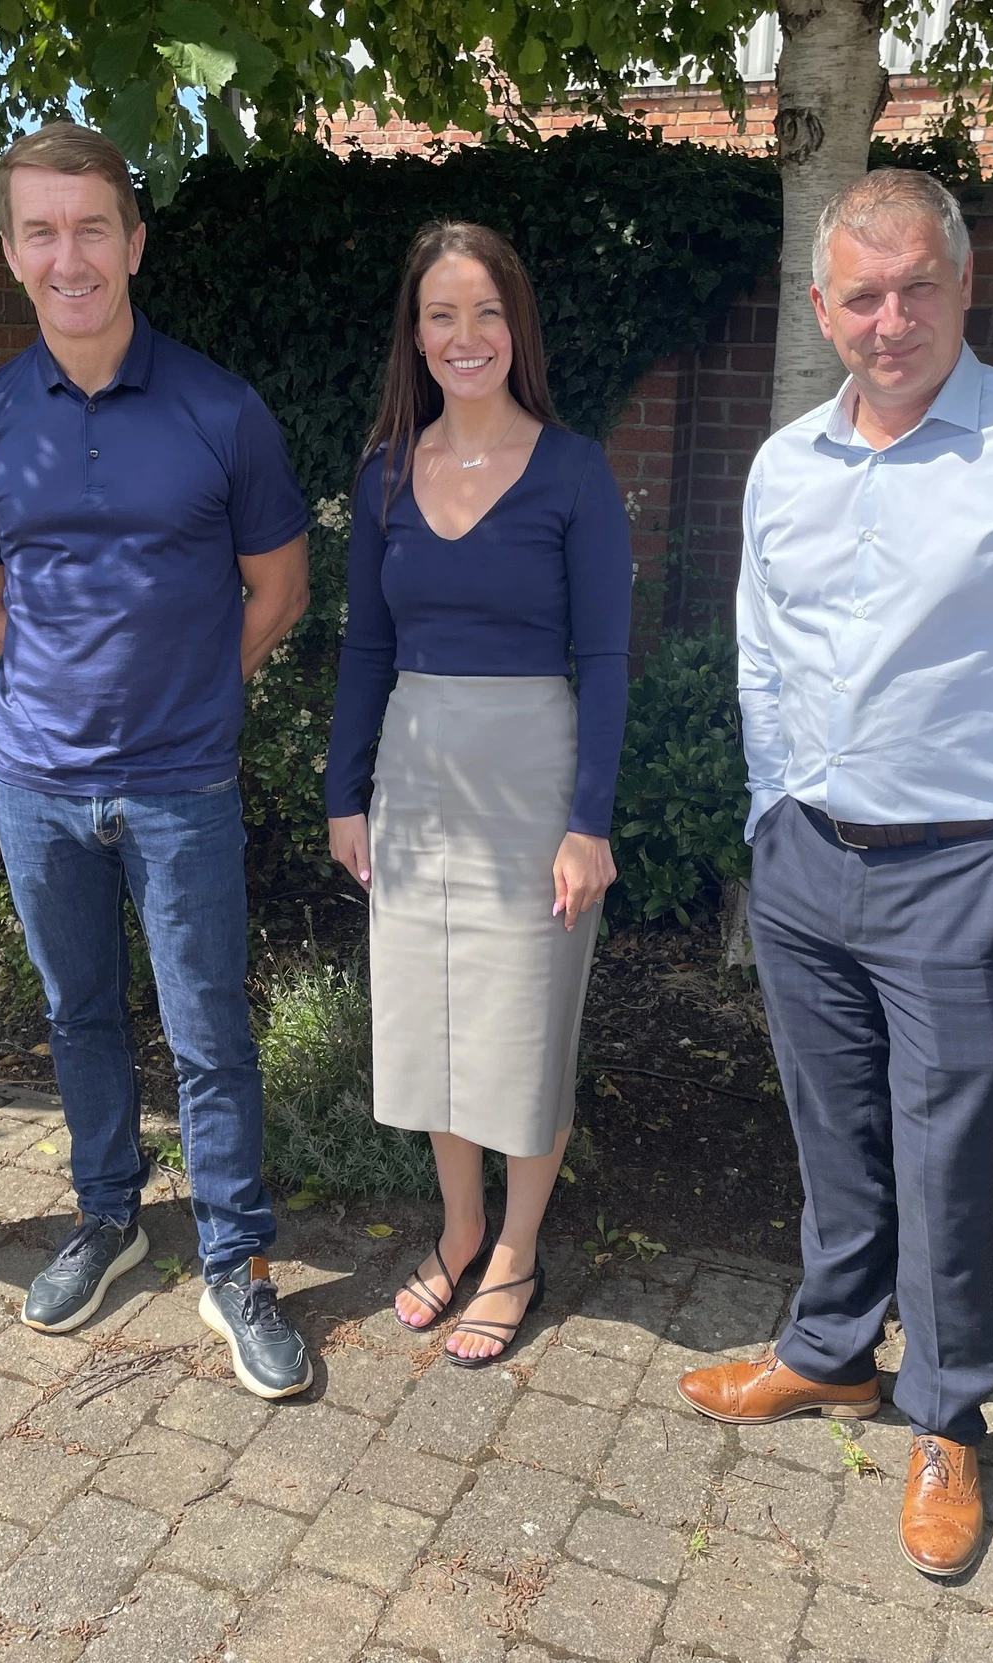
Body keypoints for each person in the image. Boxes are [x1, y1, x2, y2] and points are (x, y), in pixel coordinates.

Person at [675, 170, 993, 1576]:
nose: (888, 319)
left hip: (967, 864)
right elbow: (762, 655)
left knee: (945, 1157)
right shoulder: (785, 464)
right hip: (807, 861)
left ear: (960, 287)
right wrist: (774, 812)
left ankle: (946, 1413)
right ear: (821, 307)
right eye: (860, 294)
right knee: (831, 1128)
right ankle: (829, 1348)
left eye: (915, 288)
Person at [0, 123, 315, 1400]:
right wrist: (59, 705)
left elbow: (278, 587)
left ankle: (234, 1260)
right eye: (40, 229)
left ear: (135, 242)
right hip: (38, 780)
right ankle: (107, 1216)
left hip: (180, 781)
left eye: (92, 226)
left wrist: (198, 689)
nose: (68, 254)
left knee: (209, 1030)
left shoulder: (220, 408)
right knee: (76, 1014)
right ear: (9, 250)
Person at [324, 223, 633, 1367]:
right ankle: (457, 1226)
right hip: (413, 771)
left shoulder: (574, 472)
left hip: (531, 776)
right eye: (442, 315)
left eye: (486, 314)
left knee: (520, 1025)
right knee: (434, 1020)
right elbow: (364, 646)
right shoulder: (386, 471)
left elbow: (603, 658)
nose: (465, 337)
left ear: (519, 330)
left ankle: (516, 1247)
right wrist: (343, 793)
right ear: (416, 334)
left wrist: (587, 821)